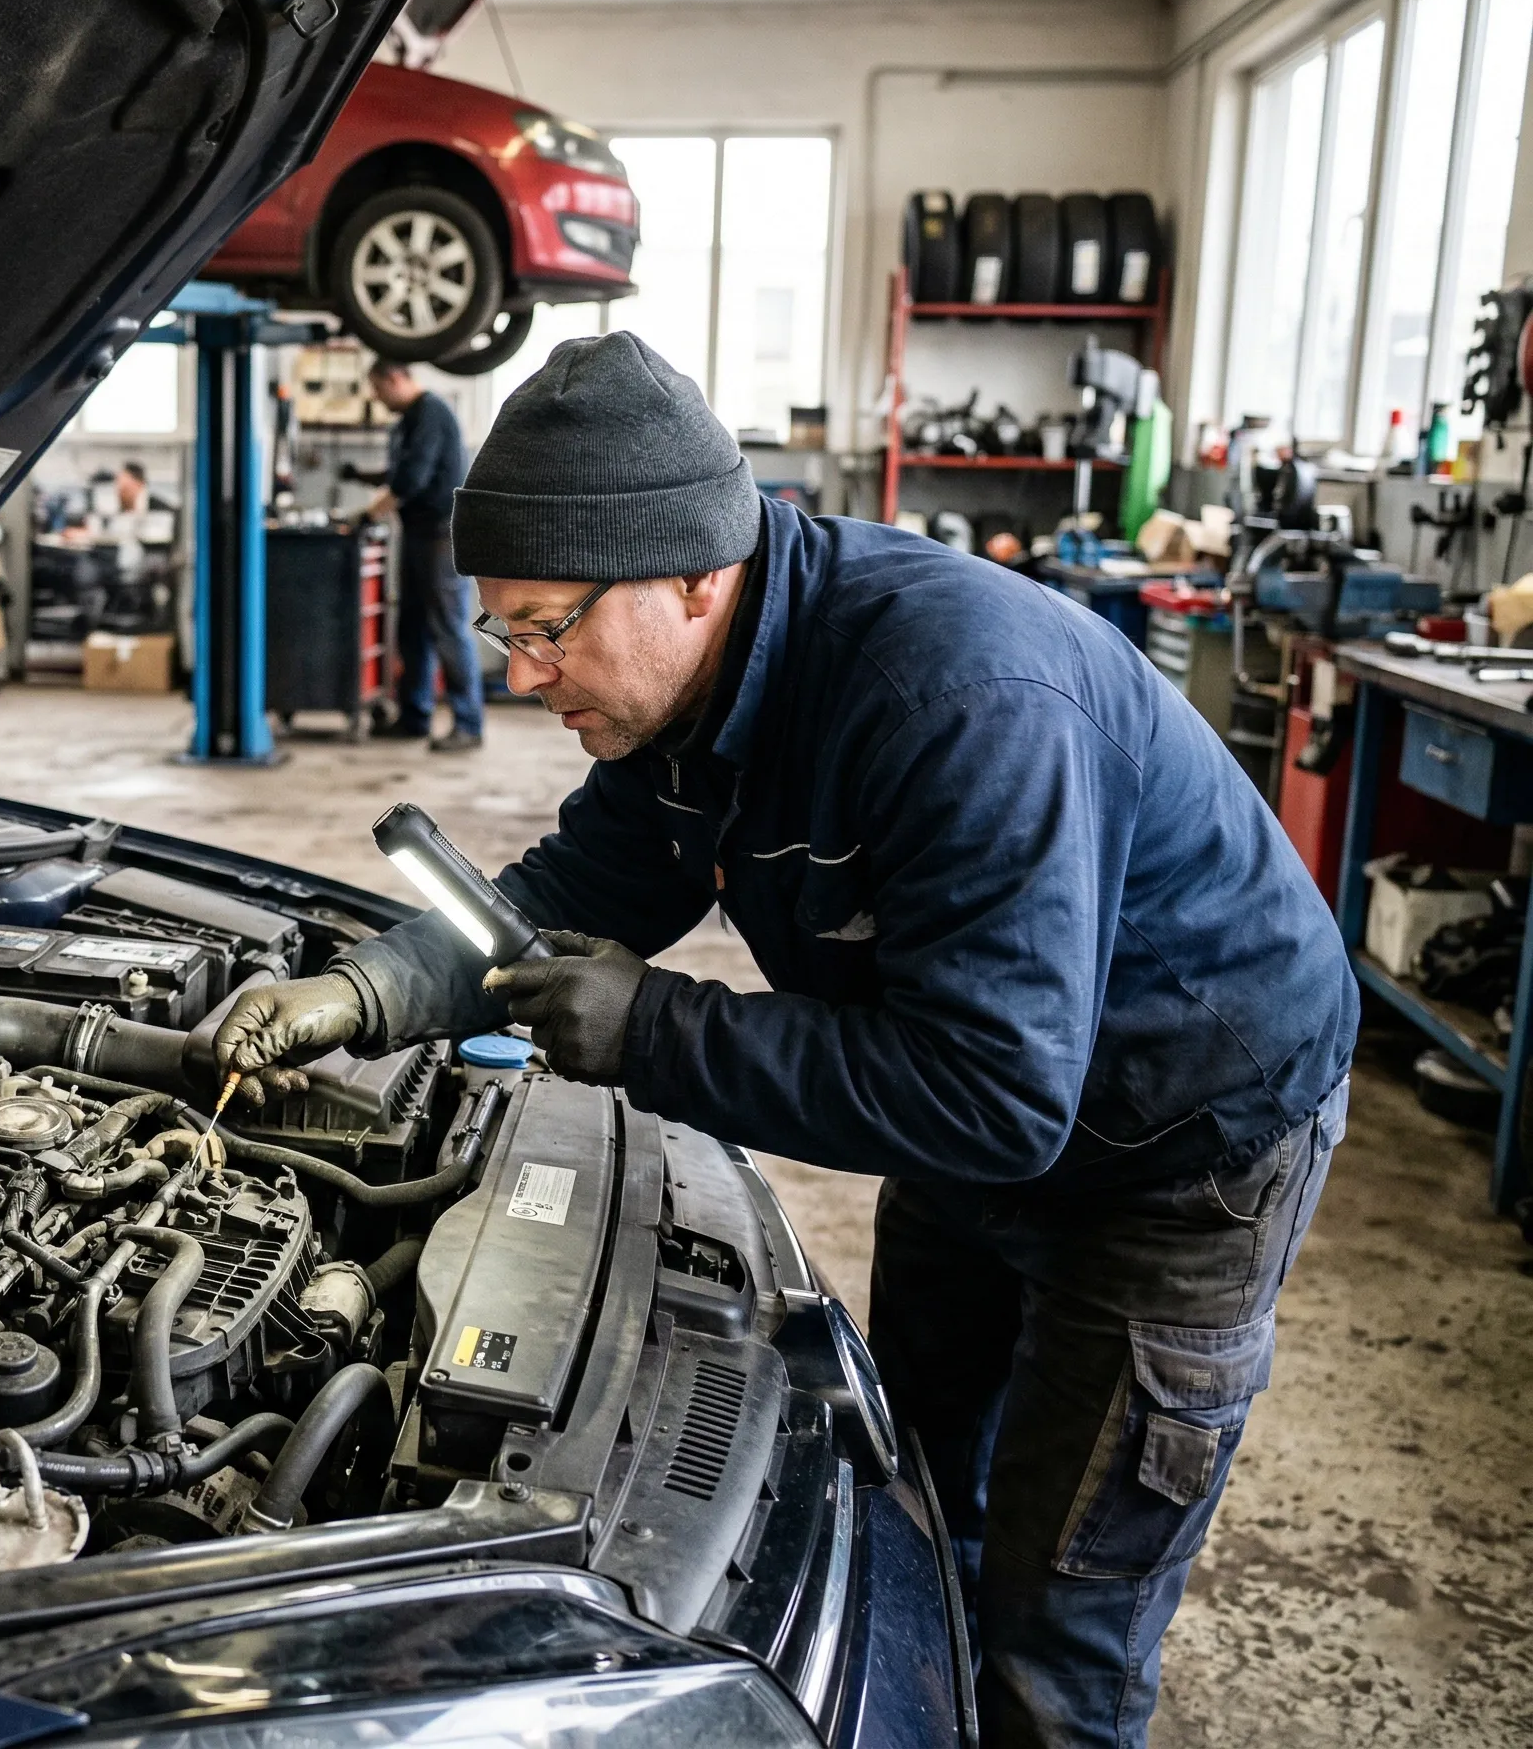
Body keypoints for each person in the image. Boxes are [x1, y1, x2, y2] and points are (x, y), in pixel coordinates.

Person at [218, 332, 1356, 1749]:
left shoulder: (959, 701)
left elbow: (997, 1099)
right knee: (924, 1497)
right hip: (967, 1105)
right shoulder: (686, 695)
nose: (522, 674)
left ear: (695, 576)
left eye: (544, 627)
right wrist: (370, 992)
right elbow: (574, 895)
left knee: (1058, 1628)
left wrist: (657, 1028)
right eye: (505, 630)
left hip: (1179, 1151)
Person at [345, 359, 483, 750]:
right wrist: (360, 476)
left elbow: (411, 480)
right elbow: (399, 472)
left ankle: (469, 724)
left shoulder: (430, 414)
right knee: (412, 628)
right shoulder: (409, 419)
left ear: (395, 378)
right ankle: (414, 716)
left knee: (446, 627)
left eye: (378, 388)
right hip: (419, 533)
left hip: (441, 536)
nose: (376, 397)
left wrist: (368, 513)